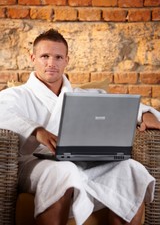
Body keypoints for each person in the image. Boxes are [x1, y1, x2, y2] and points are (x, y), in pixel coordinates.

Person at [0, 29, 160, 225]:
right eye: (45, 56)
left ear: (67, 60)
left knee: (130, 168)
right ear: (33, 58)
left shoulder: (82, 95)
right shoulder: (16, 95)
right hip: (34, 163)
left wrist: (144, 114)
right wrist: (37, 131)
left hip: (81, 162)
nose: (51, 63)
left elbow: (115, 105)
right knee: (64, 170)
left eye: (58, 57)